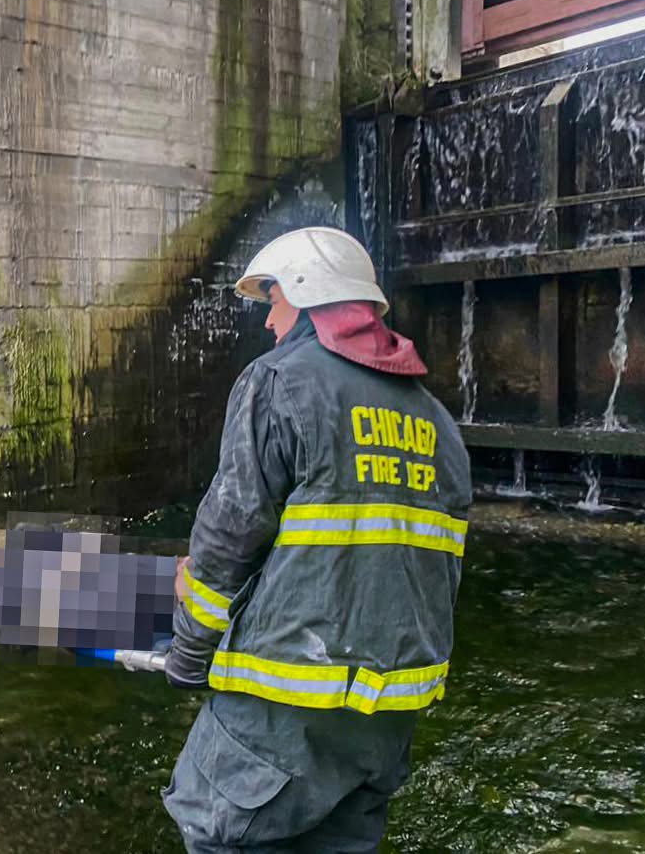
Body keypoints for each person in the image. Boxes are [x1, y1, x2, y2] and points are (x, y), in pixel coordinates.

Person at [162, 227, 472, 852]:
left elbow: (226, 539)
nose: (267, 325)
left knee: (219, 832)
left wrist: (187, 655)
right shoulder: (437, 424)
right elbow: (439, 574)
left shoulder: (279, 382)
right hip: (383, 726)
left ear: (305, 298)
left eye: (272, 303)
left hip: (282, 708)